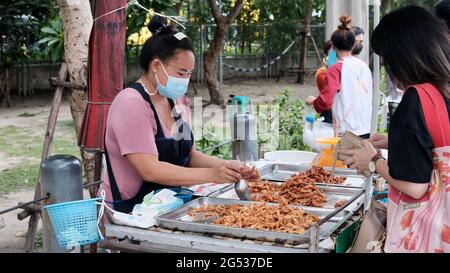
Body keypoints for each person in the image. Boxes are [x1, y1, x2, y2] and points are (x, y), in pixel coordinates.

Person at [99, 16, 255, 213]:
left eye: (189, 74)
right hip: (129, 213)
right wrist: (212, 174)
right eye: (181, 73)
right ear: (156, 66)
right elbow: (150, 169)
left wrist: (228, 167)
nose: (186, 80)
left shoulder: (177, 100)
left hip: (167, 206)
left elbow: (188, 156)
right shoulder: (131, 104)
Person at [342, 5, 450, 253]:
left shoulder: (415, 101)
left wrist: (373, 160)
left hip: (429, 237)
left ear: (402, 56)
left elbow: (414, 186)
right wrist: (395, 141)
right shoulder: (443, 88)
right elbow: (440, 139)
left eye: (387, 60)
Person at [305, 15, 373, 139]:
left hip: (347, 131)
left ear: (333, 46)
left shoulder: (336, 69)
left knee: (344, 159)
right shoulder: (364, 67)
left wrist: (313, 102)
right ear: (353, 45)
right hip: (367, 128)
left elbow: (325, 101)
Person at [314, 40, 333, 124]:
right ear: (326, 56)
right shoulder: (322, 73)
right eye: (332, 53)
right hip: (329, 113)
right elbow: (332, 90)